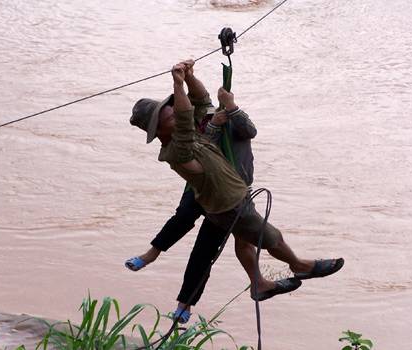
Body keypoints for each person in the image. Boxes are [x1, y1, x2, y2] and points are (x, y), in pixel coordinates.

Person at [129, 61, 344, 320]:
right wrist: (178, 85)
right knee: (265, 237)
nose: (178, 114)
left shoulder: (198, 129)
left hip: (232, 196)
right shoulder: (178, 146)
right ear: (161, 130)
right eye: (171, 117)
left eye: (174, 111)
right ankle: (300, 266)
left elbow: (199, 100)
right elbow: (186, 118)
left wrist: (189, 78)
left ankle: (258, 284)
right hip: (227, 204)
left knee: (236, 243)